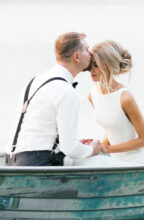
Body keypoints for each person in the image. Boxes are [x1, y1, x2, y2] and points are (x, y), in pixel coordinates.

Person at [6, 32, 103, 166]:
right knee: (98, 161)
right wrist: (92, 149)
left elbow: (40, 131)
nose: (90, 54)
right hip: (37, 163)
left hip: (12, 160)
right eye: (87, 50)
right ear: (77, 56)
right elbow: (70, 148)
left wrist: (76, 144)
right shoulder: (65, 90)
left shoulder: (35, 81)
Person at [69, 40, 144, 167]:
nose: (91, 70)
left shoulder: (125, 97)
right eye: (90, 65)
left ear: (107, 65)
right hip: (116, 162)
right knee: (76, 161)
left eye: (96, 65)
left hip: (139, 163)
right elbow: (112, 129)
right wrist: (97, 146)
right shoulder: (92, 94)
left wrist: (108, 149)